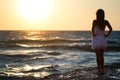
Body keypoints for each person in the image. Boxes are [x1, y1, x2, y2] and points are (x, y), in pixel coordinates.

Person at [91, 9, 112, 74]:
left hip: (96, 39)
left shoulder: (95, 21)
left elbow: (92, 29)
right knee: (102, 56)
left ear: (97, 14)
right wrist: (106, 35)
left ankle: (99, 70)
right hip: (103, 39)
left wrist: (94, 35)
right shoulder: (105, 21)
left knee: (97, 56)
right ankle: (102, 70)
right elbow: (111, 29)